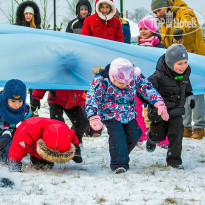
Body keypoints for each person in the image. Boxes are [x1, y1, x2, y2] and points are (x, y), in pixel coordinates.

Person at [85, 58, 168, 174]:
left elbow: (147, 88)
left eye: (127, 83)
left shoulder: (134, 75)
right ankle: (119, 164)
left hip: (128, 112)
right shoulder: (102, 80)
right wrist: (93, 116)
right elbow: (92, 97)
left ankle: (120, 154)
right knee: (117, 135)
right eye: (120, 83)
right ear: (112, 77)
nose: (124, 85)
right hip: (110, 113)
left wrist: (159, 103)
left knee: (135, 134)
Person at [151, 0, 205, 139]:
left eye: (158, 10)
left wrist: (179, 30)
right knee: (181, 92)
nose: (157, 14)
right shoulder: (167, 18)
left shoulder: (184, 11)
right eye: (155, 12)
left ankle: (199, 127)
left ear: (166, 5)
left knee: (196, 92)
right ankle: (186, 125)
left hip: (194, 56)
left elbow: (186, 23)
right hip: (178, 61)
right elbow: (168, 38)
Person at [146, 44, 194, 169]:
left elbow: (187, 86)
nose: (183, 66)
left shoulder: (185, 74)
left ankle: (174, 160)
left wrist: (190, 96)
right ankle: (151, 138)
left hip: (177, 110)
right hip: (161, 111)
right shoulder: (159, 76)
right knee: (159, 136)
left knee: (177, 132)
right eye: (180, 63)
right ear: (169, 63)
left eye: (185, 62)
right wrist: (145, 95)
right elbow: (147, 88)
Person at [136, 15, 169, 148]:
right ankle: (140, 134)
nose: (143, 31)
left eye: (146, 28)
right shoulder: (136, 47)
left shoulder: (161, 47)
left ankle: (162, 139)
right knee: (135, 107)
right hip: (140, 83)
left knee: (158, 111)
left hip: (157, 84)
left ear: (153, 30)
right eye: (141, 29)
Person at [8, 117, 82, 172]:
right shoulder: (30, 129)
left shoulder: (65, 131)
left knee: (44, 166)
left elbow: (74, 138)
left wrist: (76, 153)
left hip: (42, 139)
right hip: (28, 141)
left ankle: (43, 159)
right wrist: (14, 162)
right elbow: (17, 146)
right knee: (9, 154)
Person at [15, 1, 42, 114]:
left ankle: (33, 110)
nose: (28, 16)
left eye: (30, 14)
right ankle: (19, 109)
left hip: (33, 63)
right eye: (26, 13)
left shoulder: (38, 29)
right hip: (21, 62)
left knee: (33, 88)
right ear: (23, 14)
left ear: (34, 15)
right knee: (20, 87)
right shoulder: (17, 28)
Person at [0, 79, 32, 163]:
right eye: (13, 101)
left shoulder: (24, 110)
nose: (17, 105)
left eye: (20, 101)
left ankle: (11, 156)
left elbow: (30, 127)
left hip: (10, 134)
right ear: (6, 98)